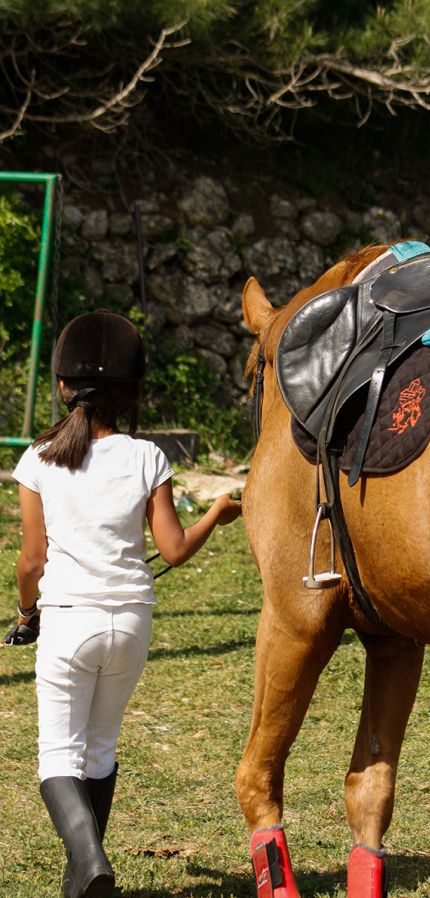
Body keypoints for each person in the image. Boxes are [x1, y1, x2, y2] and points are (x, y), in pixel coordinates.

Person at [10, 309, 242, 898]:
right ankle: (81, 882)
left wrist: (26, 614)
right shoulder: (148, 457)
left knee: (57, 758)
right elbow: (174, 549)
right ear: (132, 393)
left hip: (68, 622)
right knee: (100, 751)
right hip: (132, 624)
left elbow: (31, 561)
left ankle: (91, 863)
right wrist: (216, 512)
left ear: (63, 386)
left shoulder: (39, 458)